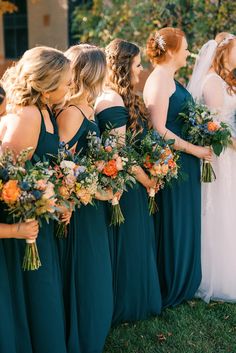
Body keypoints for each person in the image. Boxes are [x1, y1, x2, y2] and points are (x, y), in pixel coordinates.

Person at [0, 46, 71, 353]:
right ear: (46, 85)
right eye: (66, 82)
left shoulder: (47, 111)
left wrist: (57, 201)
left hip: (41, 215)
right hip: (23, 222)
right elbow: (8, 175)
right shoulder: (28, 116)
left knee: (47, 289)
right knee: (37, 292)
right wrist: (42, 199)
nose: (70, 86)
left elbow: (42, 166)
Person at [143, 27, 212, 308]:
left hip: (184, 162)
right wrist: (194, 148)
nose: (188, 52)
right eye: (185, 48)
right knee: (175, 224)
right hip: (174, 163)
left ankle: (184, 282)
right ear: (171, 51)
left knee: (186, 221)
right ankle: (173, 284)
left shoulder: (169, 78)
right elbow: (158, 130)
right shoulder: (159, 79)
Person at [95, 38, 162, 325]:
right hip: (126, 186)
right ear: (124, 66)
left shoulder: (120, 96)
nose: (141, 68)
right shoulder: (110, 100)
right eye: (136, 64)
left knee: (138, 243)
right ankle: (128, 305)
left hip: (132, 184)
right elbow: (118, 154)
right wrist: (147, 179)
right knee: (130, 246)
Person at [56, 44, 113, 353]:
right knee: (85, 272)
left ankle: (95, 328)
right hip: (78, 207)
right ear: (93, 73)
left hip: (92, 202)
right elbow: (60, 163)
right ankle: (82, 333)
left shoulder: (87, 107)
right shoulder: (70, 112)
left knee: (97, 271)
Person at [188, 33, 236, 302]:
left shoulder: (227, 80)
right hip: (221, 155)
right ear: (224, 52)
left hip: (230, 154)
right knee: (219, 206)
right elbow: (217, 128)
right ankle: (215, 275)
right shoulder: (213, 81)